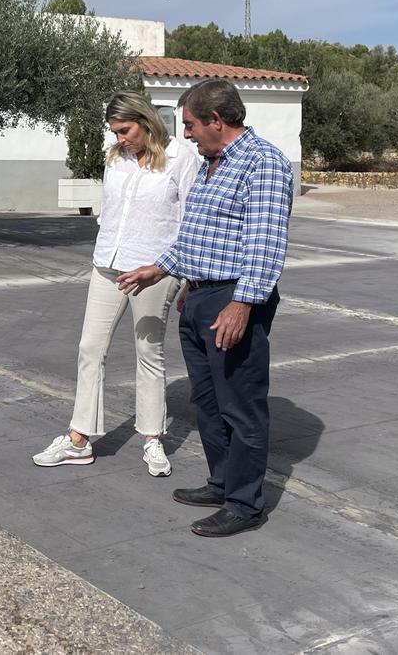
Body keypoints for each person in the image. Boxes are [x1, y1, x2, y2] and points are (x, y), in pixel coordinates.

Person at [116, 79, 293, 537]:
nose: (187, 134)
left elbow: (265, 244)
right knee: (208, 403)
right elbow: (197, 236)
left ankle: (245, 504)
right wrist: (160, 269)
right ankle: (221, 483)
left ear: (217, 120)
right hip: (197, 294)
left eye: (191, 125)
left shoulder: (263, 164)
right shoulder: (211, 163)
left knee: (241, 406)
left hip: (233, 298)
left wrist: (242, 304)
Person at [33, 91, 200, 476]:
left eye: (125, 130)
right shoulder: (116, 158)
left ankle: (153, 439)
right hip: (107, 265)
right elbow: (110, 211)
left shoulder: (181, 159)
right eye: (115, 132)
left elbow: (189, 220)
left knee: (148, 352)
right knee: (90, 347)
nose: (120, 138)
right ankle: (79, 439)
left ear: (145, 121)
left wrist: (185, 275)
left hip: (154, 271)